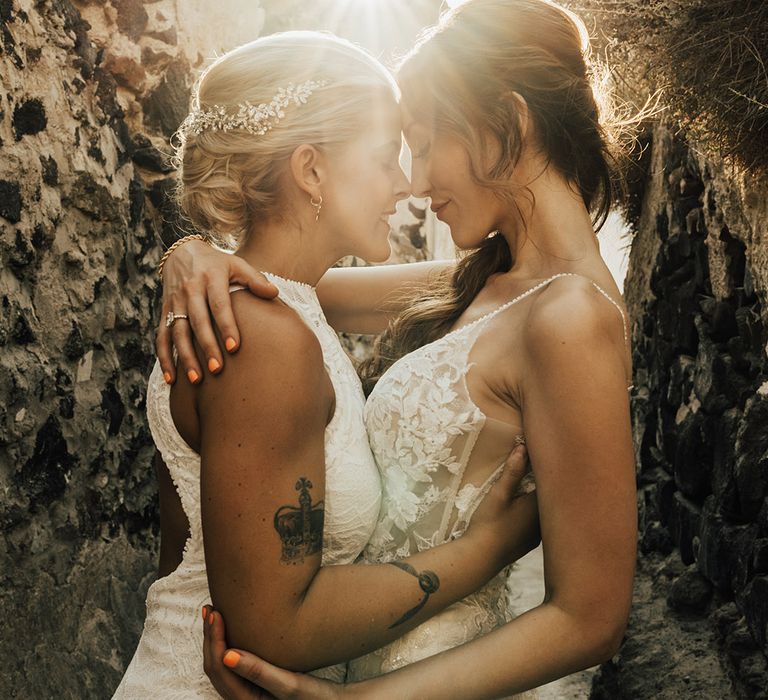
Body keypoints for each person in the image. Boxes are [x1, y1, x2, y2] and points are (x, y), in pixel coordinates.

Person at [160, 0, 639, 697]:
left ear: (506, 121)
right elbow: (281, 290)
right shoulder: (482, 283)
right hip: (351, 646)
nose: (414, 182)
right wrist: (189, 252)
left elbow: (592, 618)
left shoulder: (573, 318)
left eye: (423, 140)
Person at [113, 30, 540, 699]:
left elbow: (495, 289)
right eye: (383, 158)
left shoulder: (286, 304)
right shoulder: (262, 335)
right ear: (311, 170)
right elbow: (271, 630)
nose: (406, 185)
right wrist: (486, 551)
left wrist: (186, 248)